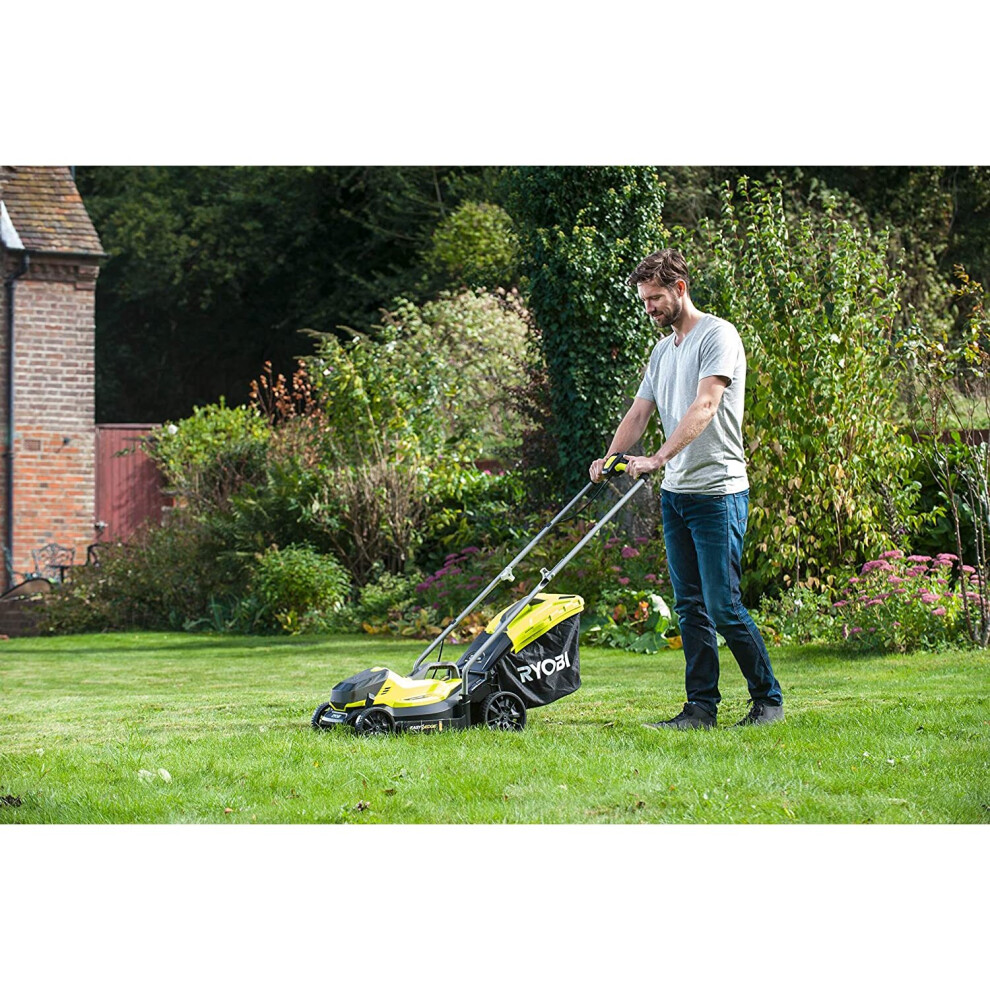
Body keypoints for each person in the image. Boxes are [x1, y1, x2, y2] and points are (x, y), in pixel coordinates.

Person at [589, 248, 783, 729]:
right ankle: (700, 709)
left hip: (718, 491)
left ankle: (768, 701)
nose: (649, 308)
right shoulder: (662, 351)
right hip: (677, 496)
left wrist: (657, 458)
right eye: (644, 300)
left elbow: (706, 405)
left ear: (679, 289)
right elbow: (639, 413)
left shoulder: (718, 335)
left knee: (724, 606)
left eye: (655, 298)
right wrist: (611, 459)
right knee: (690, 607)